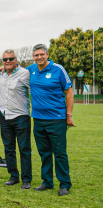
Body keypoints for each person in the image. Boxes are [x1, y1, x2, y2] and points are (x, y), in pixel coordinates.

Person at [27, 44, 74, 196]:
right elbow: (14, 70)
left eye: (41, 54)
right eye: (36, 55)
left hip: (56, 119)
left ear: (47, 54)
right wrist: (1, 68)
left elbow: (69, 92)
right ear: (33, 57)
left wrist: (69, 115)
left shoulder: (58, 69)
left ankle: (64, 184)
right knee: (44, 153)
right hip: (38, 120)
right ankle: (47, 182)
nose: (39, 57)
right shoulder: (31, 69)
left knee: (59, 153)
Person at [0, 49, 32, 189]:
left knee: (24, 149)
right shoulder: (0, 74)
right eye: (5, 59)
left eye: (11, 58)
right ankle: (13, 177)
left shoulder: (25, 73)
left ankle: (26, 179)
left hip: (21, 117)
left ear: (16, 60)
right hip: (4, 116)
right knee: (9, 149)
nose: (8, 61)